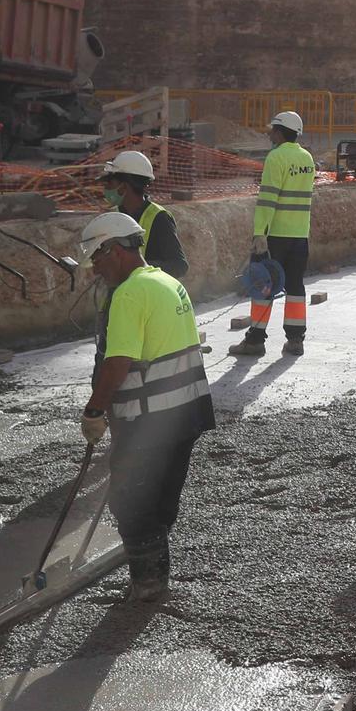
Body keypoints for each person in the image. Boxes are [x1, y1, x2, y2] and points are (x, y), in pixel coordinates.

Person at [78, 211, 215, 601]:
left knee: (131, 500)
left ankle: (149, 583)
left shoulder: (129, 294)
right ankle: (153, 574)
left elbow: (118, 361)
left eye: (98, 260)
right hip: (185, 414)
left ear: (116, 250)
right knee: (160, 499)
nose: (95, 271)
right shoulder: (168, 283)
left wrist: (94, 411)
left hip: (149, 419)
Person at [230, 110, 316, 358]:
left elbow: (268, 199)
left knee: (262, 285)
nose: (269, 134)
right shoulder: (307, 159)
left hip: (275, 235)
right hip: (299, 235)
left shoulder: (276, 157)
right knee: (295, 287)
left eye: (272, 130)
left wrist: (259, 233)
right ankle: (295, 340)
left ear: (280, 132)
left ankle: (255, 340)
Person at [99, 150, 186, 279]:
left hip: (148, 294)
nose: (106, 189)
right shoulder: (114, 216)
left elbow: (179, 266)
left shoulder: (159, 218)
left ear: (124, 186)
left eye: (110, 183)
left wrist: (139, 267)